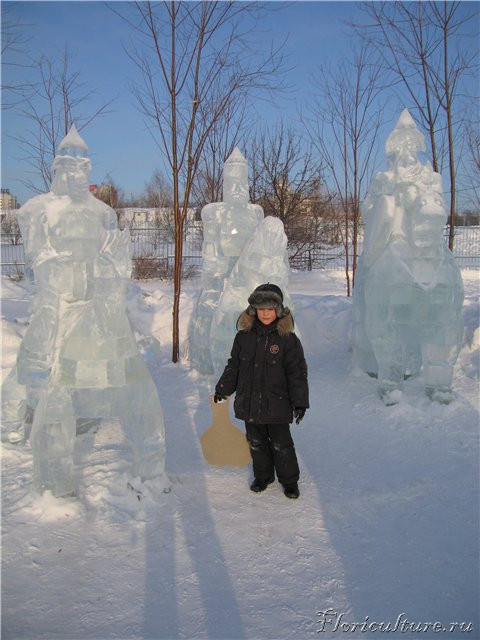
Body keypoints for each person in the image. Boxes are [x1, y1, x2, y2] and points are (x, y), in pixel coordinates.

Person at [214, 283, 309, 499]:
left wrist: (300, 402)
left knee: (282, 444)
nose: (265, 313)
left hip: (277, 403)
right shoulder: (243, 337)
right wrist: (223, 389)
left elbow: (297, 373)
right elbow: (234, 366)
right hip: (250, 403)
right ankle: (263, 476)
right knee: (256, 443)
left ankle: (289, 481)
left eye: (270, 309)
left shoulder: (287, 340)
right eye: (261, 309)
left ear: (279, 310)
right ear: (253, 310)